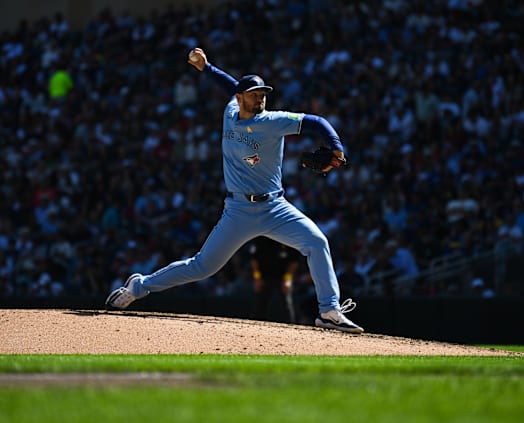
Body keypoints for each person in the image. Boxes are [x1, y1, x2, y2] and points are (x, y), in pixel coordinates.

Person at [105, 47, 363, 333]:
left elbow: (316, 122)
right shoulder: (230, 112)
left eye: (263, 94)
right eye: (254, 94)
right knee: (202, 267)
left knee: (317, 242)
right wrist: (207, 68)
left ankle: (328, 310)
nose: (261, 98)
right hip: (238, 210)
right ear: (240, 99)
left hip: (275, 207)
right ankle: (138, 287)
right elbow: (230, 86)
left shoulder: (273, 121)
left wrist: (336, 146)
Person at [248, 237, 300, 323]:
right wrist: (257, 278)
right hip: (263, 278)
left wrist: (287, 279)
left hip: (283, 278)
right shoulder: (261, 238)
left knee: (286, 304)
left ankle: (290, 327)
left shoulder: (288, 238)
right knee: (259, 305)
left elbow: (294, 261)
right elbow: (254, 259)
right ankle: (254, 326)